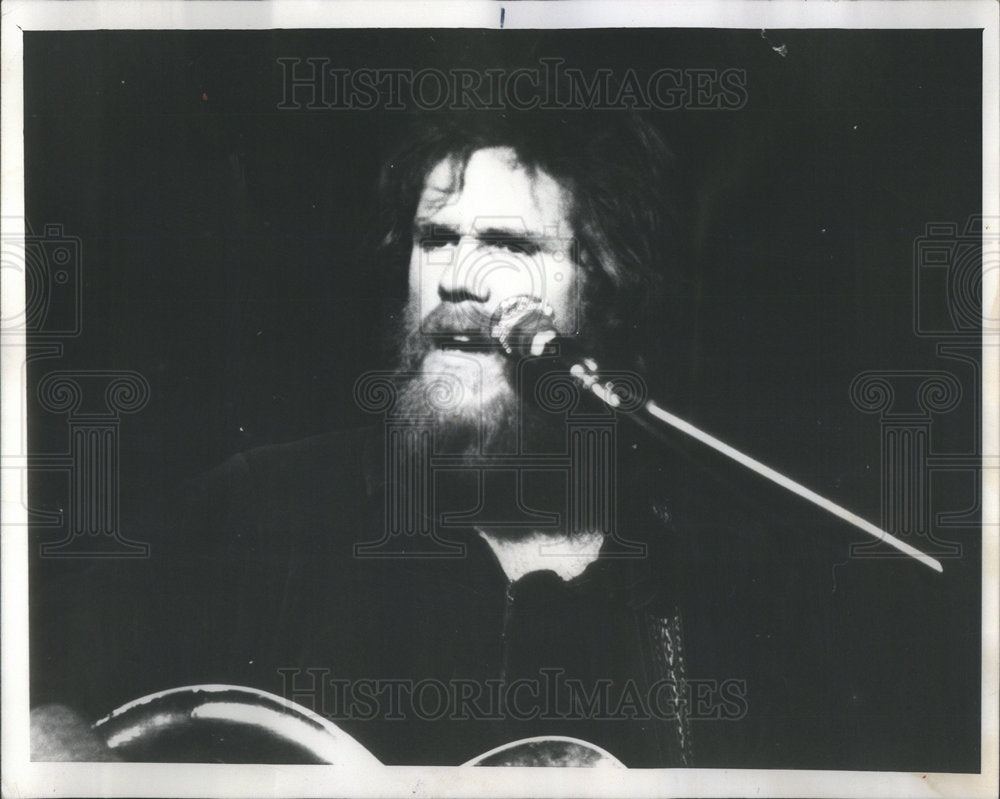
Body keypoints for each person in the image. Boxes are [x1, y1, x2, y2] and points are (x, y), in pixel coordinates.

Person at [30, 111, 961, 770]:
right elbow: (26, 698)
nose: (459, 278)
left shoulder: (698, 584)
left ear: (611, 295)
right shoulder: (259, 509)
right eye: (436, 236)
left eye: (509, 244)